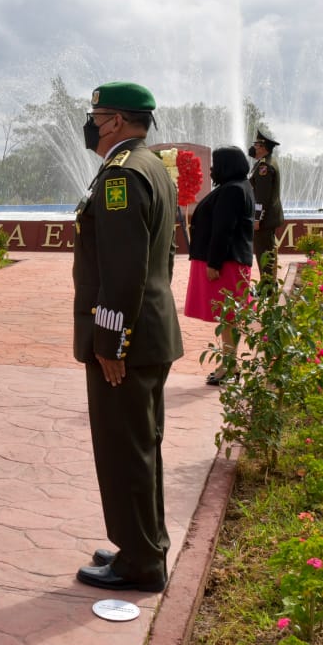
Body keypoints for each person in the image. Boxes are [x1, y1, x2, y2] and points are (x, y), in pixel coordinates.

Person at [73, 82, 183, 594]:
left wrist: (110, 342)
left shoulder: (121, 177)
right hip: (150, 333)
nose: (90, 124)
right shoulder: (154, 167)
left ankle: (140, 561)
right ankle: (144, 542)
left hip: (128, 342)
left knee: (126, 449)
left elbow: (123, 271)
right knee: (142, 446)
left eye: (95, 115)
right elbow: (163, 259)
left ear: (115, 121)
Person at [183, 147, 255, 385]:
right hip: (229, 261)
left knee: (229, 317)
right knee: (229, 318)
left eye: (215, 164)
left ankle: (230, 365)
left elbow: (223, 229)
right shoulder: (237, 187)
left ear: (227, 165)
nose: (211, 170)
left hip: (225, 263)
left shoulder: (232, 190)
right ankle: (229, 363)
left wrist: (214, 262)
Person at [249, 131, 285, 287]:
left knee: (264, 252)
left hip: (265, 219)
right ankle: (267, 284)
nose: (253, 148)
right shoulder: (265, 162)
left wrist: (257, 218)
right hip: (268, 217)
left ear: (263, 148)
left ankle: (268, 286)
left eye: (256, 145)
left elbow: (262, 196)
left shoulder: (264, 166)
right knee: (266, 250)